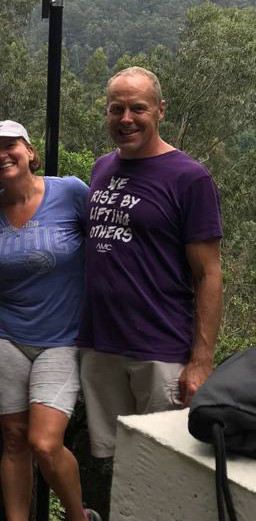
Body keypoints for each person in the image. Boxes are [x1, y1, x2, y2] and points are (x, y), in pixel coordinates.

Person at [0, 120, 101, 521]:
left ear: (30, 152)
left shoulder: (71, 193)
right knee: (12, 439)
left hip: (62, 338)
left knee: (45, 443)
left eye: (10, 147)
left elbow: (107, 249)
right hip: (5, 334)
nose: (3, 156)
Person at [77, 66, 223, 459]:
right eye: (116, 109)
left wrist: (200, 361)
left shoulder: (189, 179)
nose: (126, 119)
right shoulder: (102, 168)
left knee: (161, 466)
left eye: (137, 108)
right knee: (114, 460)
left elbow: (209, 274)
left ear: (160, 110)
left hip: (160, 350)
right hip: (99, 344)